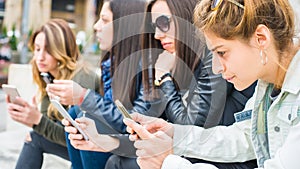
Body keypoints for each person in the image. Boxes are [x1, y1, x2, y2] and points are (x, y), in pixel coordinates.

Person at [65, 0, 256, 168]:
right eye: (153, 25)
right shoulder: (166, 60)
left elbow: (190, 124)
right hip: (198, 147)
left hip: (223, 157)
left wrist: (165, 79)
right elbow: (159, 123)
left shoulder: (210, 60)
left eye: (164, 22)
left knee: (117, 161)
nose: (156, 34)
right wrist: (103, 140)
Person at [124, 0, 300, 168]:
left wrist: (167, 163)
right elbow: (243, 136)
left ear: (261, 38)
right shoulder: (268, 83)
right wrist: (174, 135)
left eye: (222, 52)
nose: (216, 68)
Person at [46, 0, 149, 168]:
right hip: (115, 143)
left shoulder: (146, 65)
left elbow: (134, 123)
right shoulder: (112, 63)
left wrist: (83, 97)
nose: (96, 26)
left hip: (134, 146)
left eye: (105, 20)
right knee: (75, 113)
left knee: (87, 116)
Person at [5, 19, 100, 169]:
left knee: (35, 137)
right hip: (78, 147)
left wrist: (37, 121)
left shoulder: (82, 77)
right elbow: (50, 127)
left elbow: (79, 137)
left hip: (96, 150)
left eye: (48, 50)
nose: (40, 57)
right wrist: (35, 117)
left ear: (62, 50)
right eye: (37, 49)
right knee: (34, 137)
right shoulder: (48, 76)